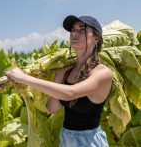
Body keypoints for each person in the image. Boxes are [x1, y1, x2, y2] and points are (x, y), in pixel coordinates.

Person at [6, 15, 113, 147]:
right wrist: (58, 78)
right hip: (66, 138)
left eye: (81, 30)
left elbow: (70, 93)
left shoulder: (102, 73)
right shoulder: (69, 71)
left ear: (96, 38)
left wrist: (24, 78)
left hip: (89, 141)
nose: (75, 33)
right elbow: (53, 108)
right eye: (73, 30)